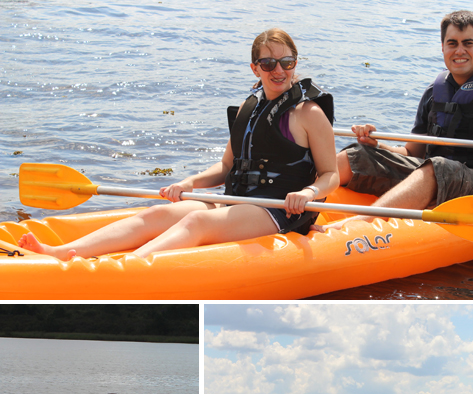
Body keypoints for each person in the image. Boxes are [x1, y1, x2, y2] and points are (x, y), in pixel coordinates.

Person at [18, 29, 339, 260]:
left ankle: (125, 267)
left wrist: (309, 193)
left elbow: (330, 175)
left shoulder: (308, 113)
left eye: (286, 61)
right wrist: (188, 183)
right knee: (156, 215)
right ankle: (61, 253)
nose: (279, 70)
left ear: (295, 63)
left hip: (280, 209)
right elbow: (227, 166)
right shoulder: (249, 107)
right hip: (237, 200)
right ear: (255, 68)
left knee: (197, 221)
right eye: (268, 64)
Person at [334, 10, 473, 223]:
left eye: (468, 43)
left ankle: (357, 225)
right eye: (452, 43)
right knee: (356, 155)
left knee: (437, 168)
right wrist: (377, 146)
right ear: (442, 47)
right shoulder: (434, 92)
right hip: (439, 175)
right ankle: (304, 203)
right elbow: (412, 152)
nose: (459, 51)